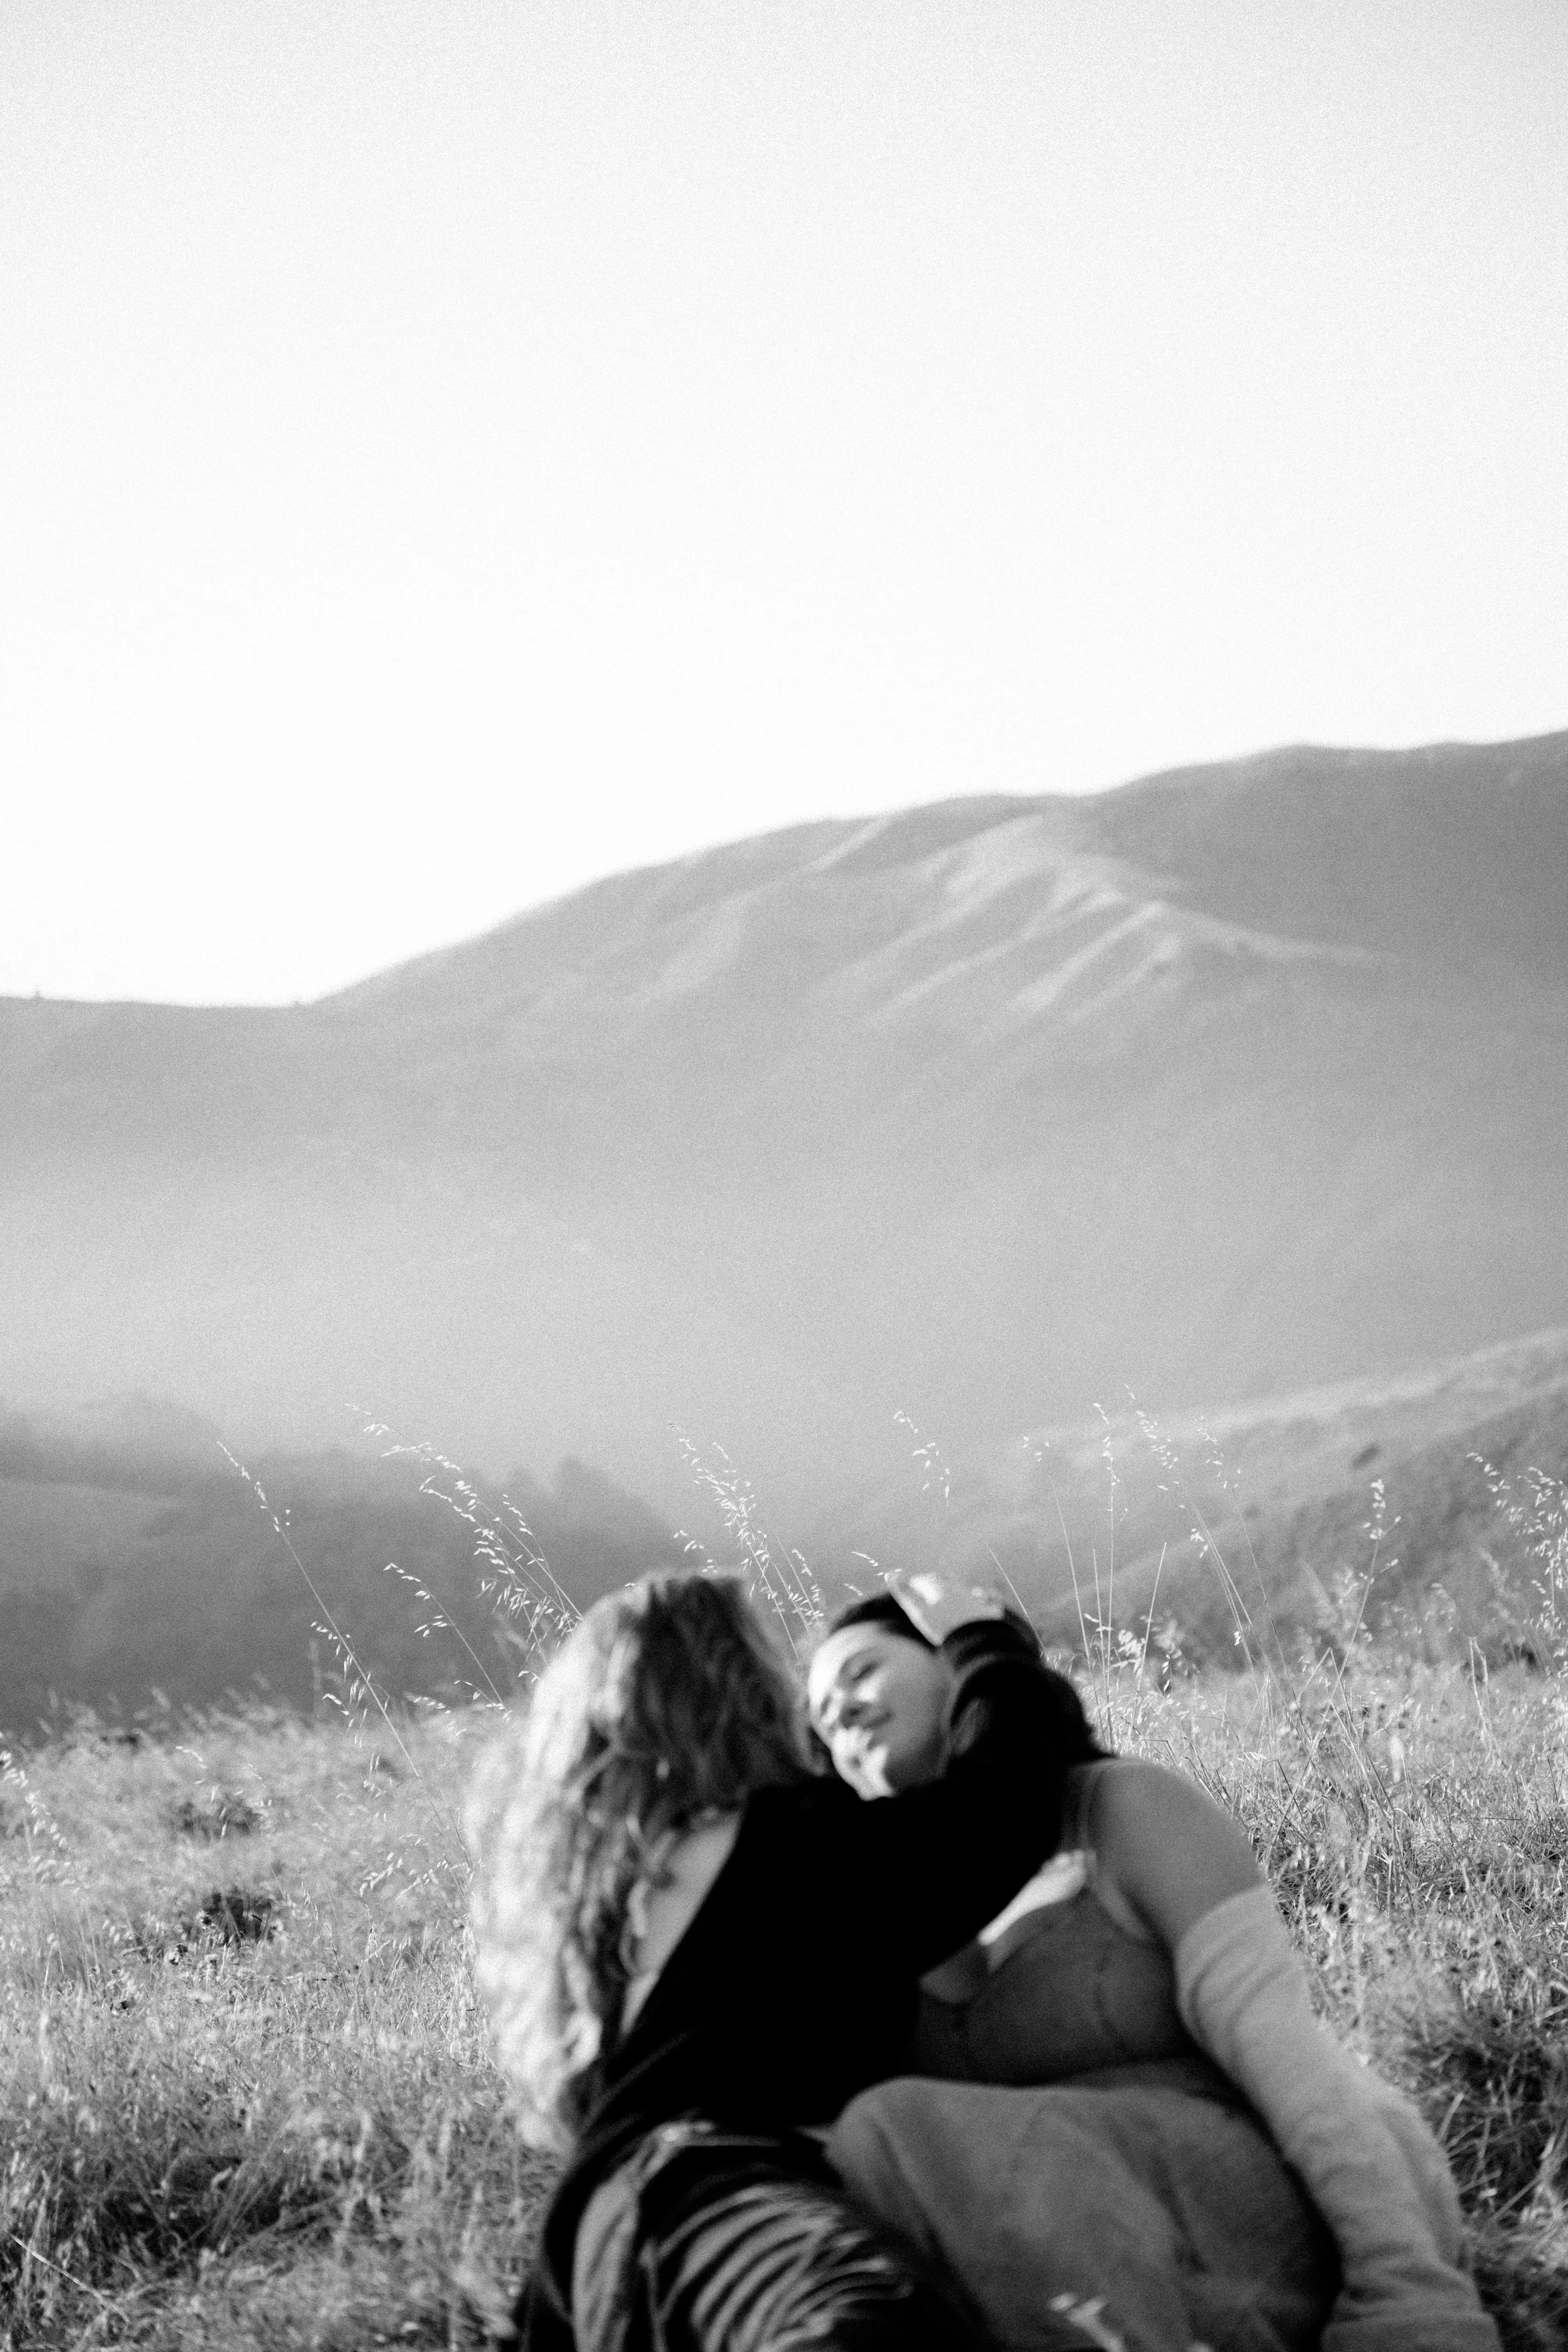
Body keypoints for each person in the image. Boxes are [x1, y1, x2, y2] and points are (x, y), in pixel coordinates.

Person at [807, 1591, 1501, 2352]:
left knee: (888, 2131)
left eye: (861, 1670)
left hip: (1248, 2217)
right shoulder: (869, 1911)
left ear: (963, 1665)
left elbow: (1295, 2067)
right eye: (816, 1713)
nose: (837, 1708)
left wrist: (1405, 2291)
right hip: (1048, 2274)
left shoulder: (1122, 1810)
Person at [470, 1569, 1115, 2352]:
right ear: (731, 1685)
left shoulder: (635, 1882)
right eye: (780, 1670)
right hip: (719, 2204)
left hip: (609, 2242)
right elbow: (996, 1814)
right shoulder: (779, 1848)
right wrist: (987, 1647)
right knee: (872, 2328)